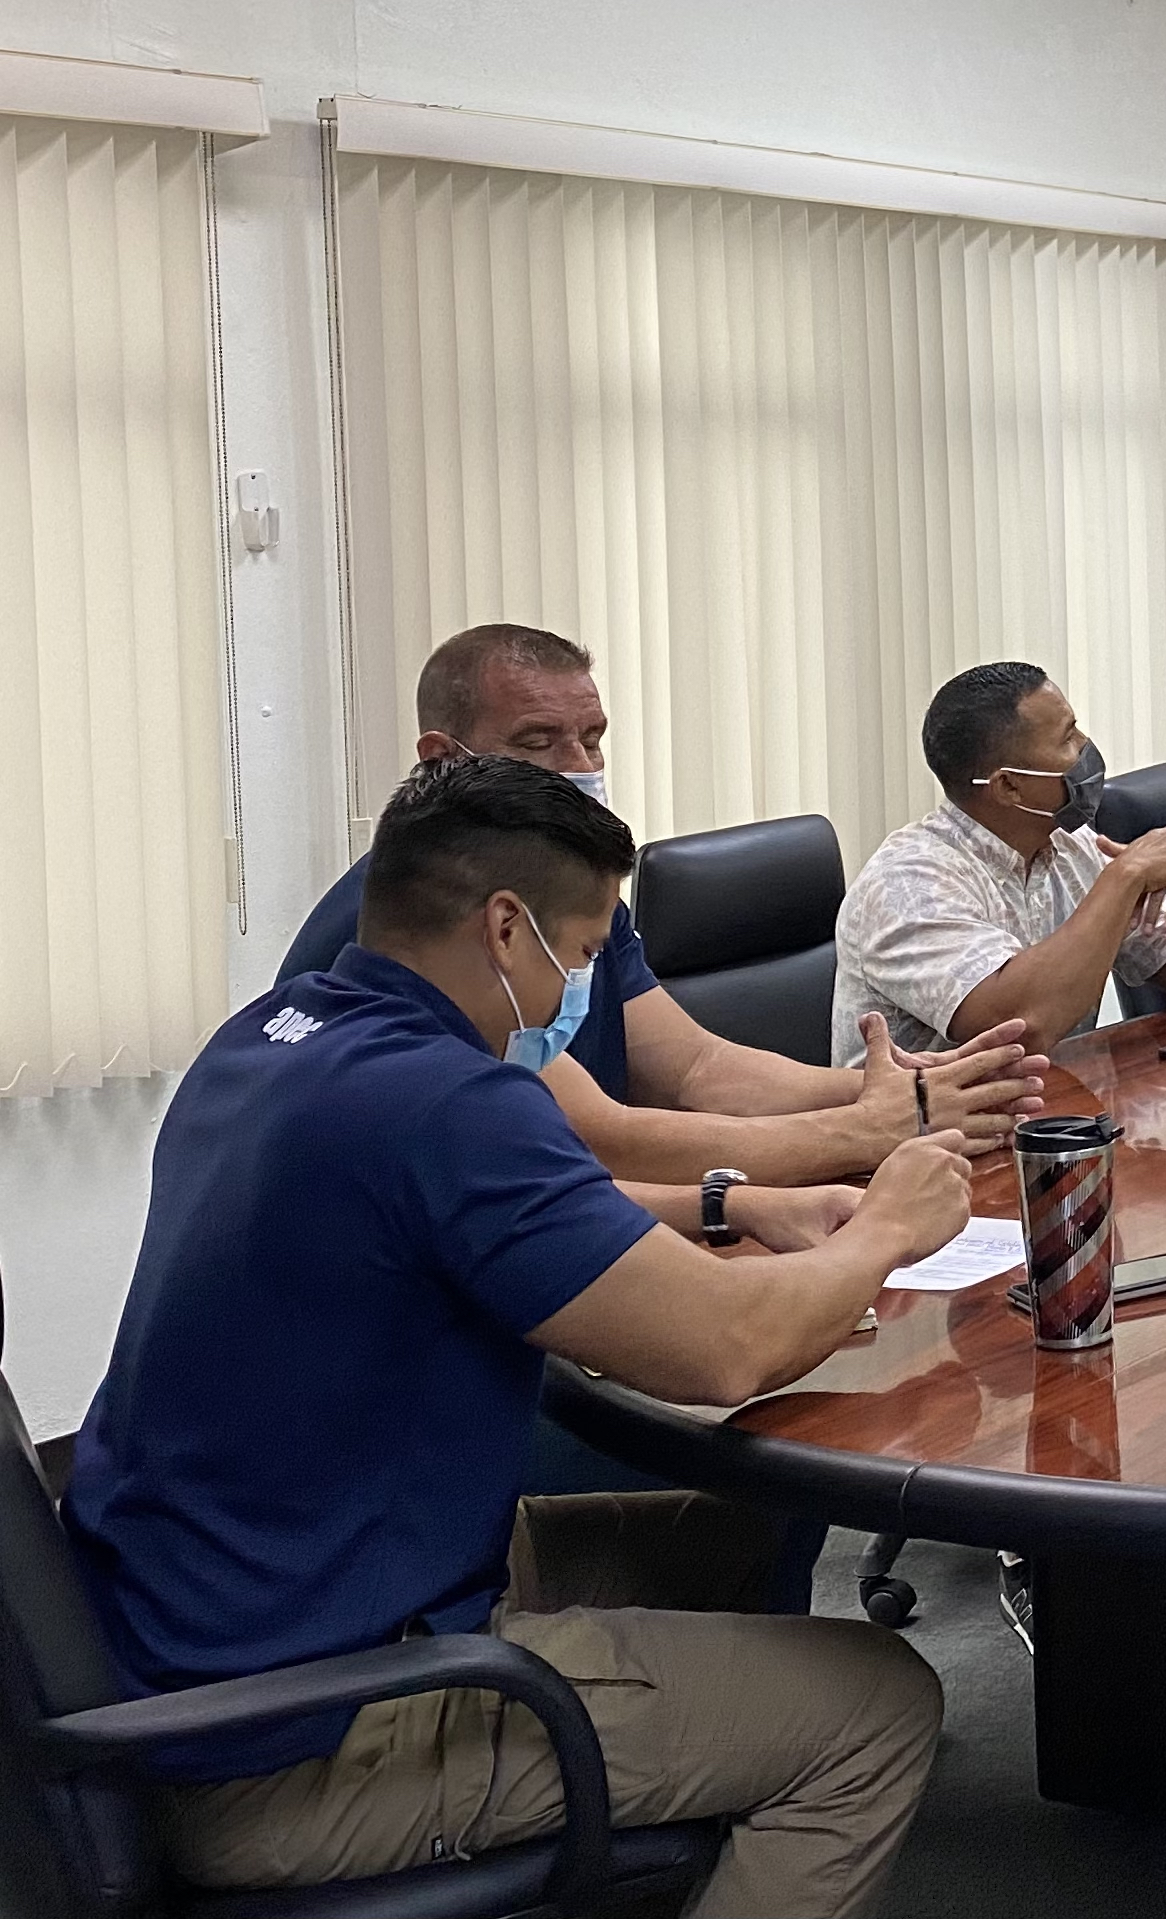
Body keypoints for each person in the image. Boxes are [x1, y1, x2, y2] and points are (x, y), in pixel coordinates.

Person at [63, 756, 971, 1916]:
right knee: (877, 1707)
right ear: (505, 927)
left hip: (194, 1632)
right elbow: (727, 1348)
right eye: (583, 951)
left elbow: (504, 1213)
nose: (579, 989)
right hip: (303, 1737)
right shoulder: (452, 1103)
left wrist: (733, 1205)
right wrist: (886, 1227)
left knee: (743, 1530)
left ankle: (681, 1800)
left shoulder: (270, 1040)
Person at [276, 624, 1048, 1184]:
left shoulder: (569, 891)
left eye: (592, 737)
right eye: (538, 742)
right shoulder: (424, 915)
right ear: (445, 758)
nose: (578, 765)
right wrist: (866, 1128)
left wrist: (901, 1087)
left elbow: (696, 1068)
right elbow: (594, 1135)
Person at [835, 660, 1166, 1059]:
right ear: (1009, 786)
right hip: (933, 1108)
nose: (1085, 746)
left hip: (1056, 1097)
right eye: (1067, 739)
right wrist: (1123, 879)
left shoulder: (1074, 847)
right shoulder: (907, 883)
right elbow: (1020, 1031)